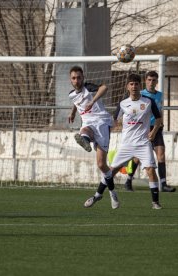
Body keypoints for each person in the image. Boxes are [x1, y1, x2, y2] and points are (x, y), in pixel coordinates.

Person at [67, 66, 119, 209]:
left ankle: (112, 193)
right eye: (73, 78)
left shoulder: (88, 88)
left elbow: (104, 88)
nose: (76, 80)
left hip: (102, 123)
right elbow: (76, 102)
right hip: (88, 122)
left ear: (83, 78)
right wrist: (72, 113)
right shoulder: (72, 94)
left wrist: (93, 101)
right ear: (70, 80)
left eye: (78, 77)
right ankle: (85, 140)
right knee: (84, 130)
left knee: (102, 165)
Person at [110, 73, 163, 209]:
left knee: (151, 169)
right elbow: (114, 120)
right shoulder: (123, 103)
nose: (134, 86)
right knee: (112, 170)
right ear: (127, 86)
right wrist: (110, 129)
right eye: (131, 84)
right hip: (127, 143)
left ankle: (155, 202)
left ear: (140, 86)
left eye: (136, 84)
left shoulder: (148, 102)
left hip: (143, 141)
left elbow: (158, 118)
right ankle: (101, 193)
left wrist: (153, 131)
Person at [122, 71, 176, 193]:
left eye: (154, 80)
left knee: (161, 154)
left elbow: (159, 111)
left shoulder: (160, 95)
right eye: (149, 80)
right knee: (137, 157)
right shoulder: (140, 94)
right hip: (142, 129)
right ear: (145, 81)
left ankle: (163, 184)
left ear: (157, 82)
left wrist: (159, 123)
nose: (151, 82)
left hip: (156, 128)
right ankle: (129, 180)